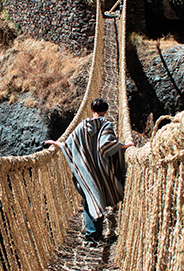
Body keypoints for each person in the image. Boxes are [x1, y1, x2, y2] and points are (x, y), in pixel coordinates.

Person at [45, 98, 134, 245]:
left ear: (92, 110)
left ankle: (92, 236)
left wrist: (57, 144)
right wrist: (124, 146)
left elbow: (69, 144)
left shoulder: (82, 126)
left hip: (86, 171)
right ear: (106, 111)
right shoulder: (107, 125)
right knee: (99, 196)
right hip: (100, 170)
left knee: (89, 198)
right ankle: (96, 234)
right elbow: (106, 146)